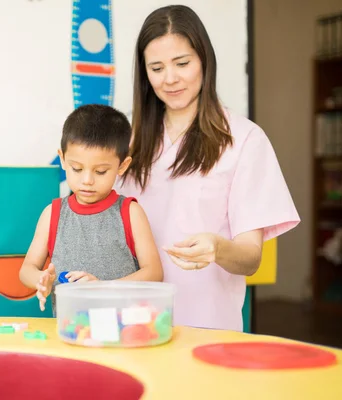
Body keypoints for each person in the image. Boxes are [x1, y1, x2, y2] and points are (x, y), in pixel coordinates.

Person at [117, 5, 300, 331]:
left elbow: (250, 258)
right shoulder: (128, 142)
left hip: (207, 329)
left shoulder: (243, 140)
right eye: (156, 68)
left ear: (204, 60)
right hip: (134, 325)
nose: (170, 78)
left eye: (182, 63)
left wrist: (218, 248)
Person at [19, 104, 164, 312]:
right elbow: (26, 269)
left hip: (124, 330)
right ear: (62, 159)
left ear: (122, 166)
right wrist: (41, 279)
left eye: (101, 171)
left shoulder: (130, 213)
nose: (87, 180)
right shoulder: (53, 214)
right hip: (71, 330)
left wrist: (103, 288)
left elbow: (154, 273)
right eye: (76, 169)